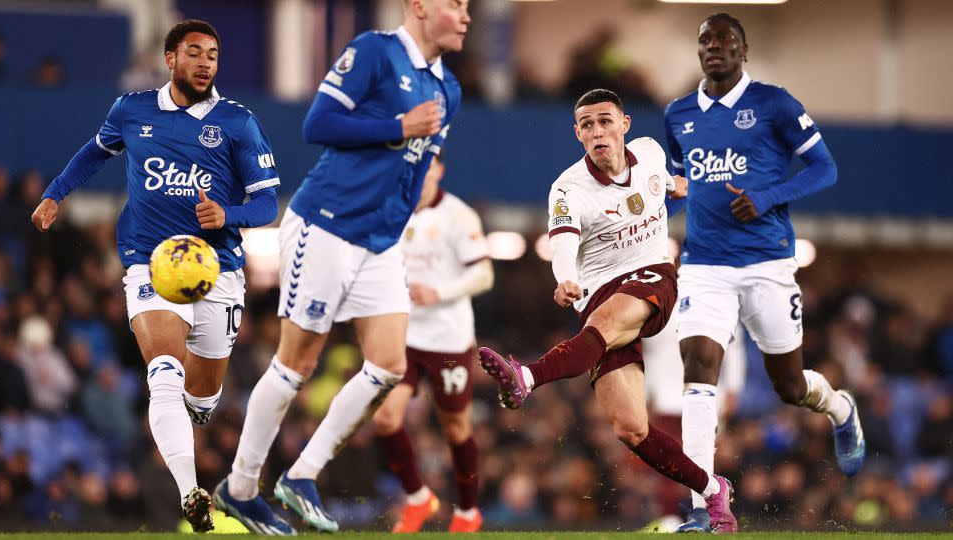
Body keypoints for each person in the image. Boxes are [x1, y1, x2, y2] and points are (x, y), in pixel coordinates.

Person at [212, 0, 468, 534]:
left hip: (379, 241)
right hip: (325, 224)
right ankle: (239, 487)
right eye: (456, 4)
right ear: (418, 6)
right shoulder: (375, 52)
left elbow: (414, 164)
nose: (466, 16)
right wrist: (397, 123)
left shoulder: (449, 89)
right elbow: (317, 124)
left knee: (389, 365)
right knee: (296, 364)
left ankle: (301, 476)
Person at [30, 19, 280, 533]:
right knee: (163, 370)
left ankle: (202, 409)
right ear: (171, 59)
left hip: (218, 271)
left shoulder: (237, 123)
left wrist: (227, 216)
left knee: (204, 395)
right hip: (150, 261)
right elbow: (94, 152)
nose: (206, 61)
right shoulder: (132, 109)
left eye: (213, 53)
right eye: (194, 52)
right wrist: (56, 191)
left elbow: (268, 204)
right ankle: (191, 491)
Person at [478, 88, 738, 533]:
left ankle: (527, 377)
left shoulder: (651, 155)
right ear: (577, 133)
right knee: (631, 429)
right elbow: (563, 243)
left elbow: (674, 187)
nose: (597, 131)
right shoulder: (567, 188)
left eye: (605, 121)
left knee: (603, 323)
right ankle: (714, 493)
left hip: (653, 276)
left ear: (624, 124)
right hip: (596, 295)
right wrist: (564, 278)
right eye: (587, 124)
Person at [663, 13, 865, 532]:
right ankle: (701, 506)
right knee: (698, 368)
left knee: (789, 386)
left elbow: (826, 167)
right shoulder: (678, 113)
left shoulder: (775, 103)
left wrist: (768, 197)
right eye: (706, 39)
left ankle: (841, 409)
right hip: (703, 266)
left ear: (744, 49)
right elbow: (682, 186)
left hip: (767, 264)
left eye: (725, 39)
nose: (714, 47)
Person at [371, 154, 493, 533]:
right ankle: (418, 499)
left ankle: (468, 511)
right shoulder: (393, 209)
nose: (420, 176)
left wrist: (439, 291)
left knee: (455, 427)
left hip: (448, 340)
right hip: (403, 336)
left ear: (439, 170)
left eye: (428, 168)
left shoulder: (459, 216)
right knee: (385, 418)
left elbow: (484, 275)